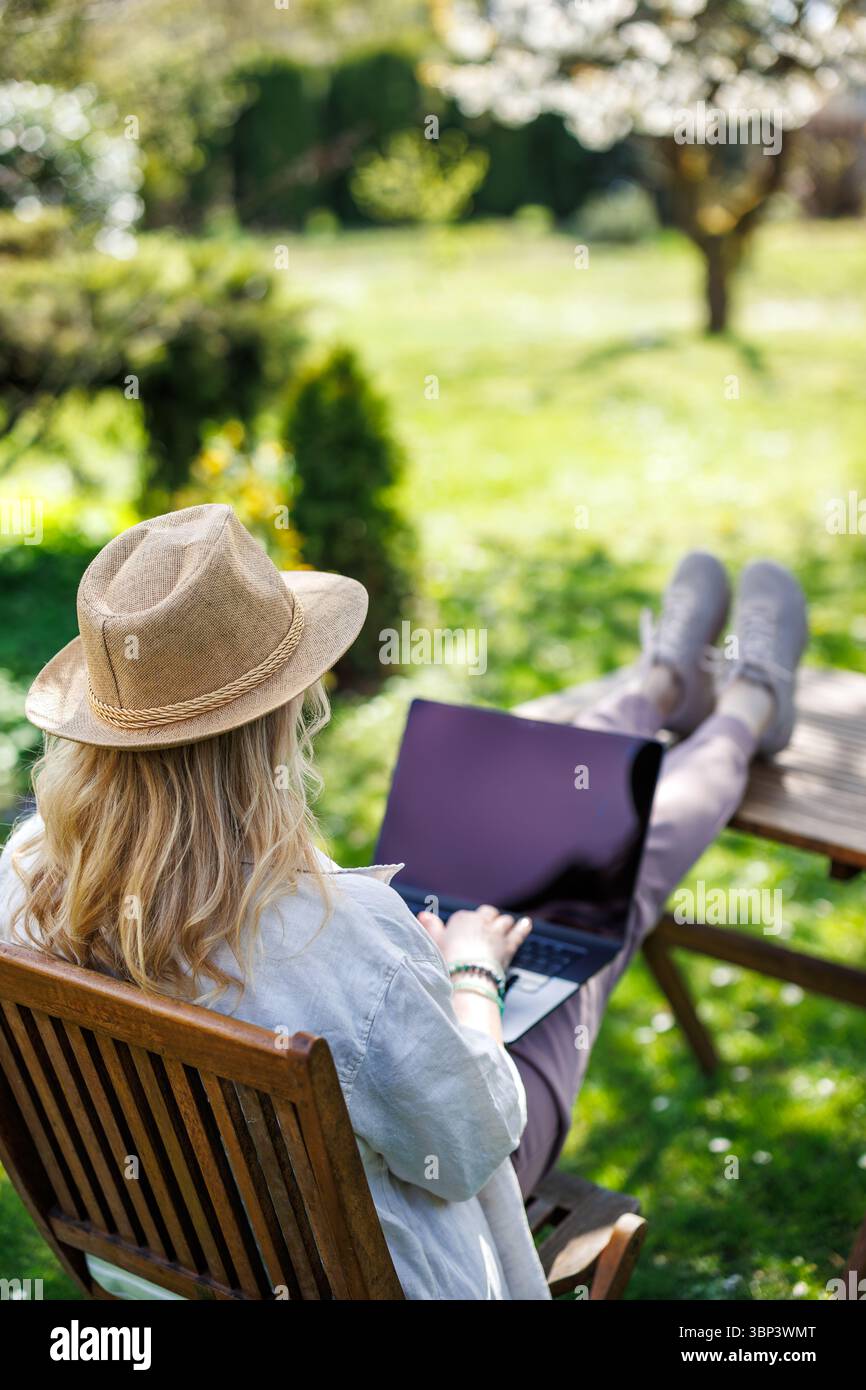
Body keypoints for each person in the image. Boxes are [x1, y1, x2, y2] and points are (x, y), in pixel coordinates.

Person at [0, 506, 807, 1300]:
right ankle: (746, 706)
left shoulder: (21, 883)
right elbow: (474, 1144)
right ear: (273, 723)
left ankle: (665, 682)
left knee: (533, 840)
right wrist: (473, 975)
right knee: (599, 893)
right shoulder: (337, 937)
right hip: (384, 1263)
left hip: (158, 1268)